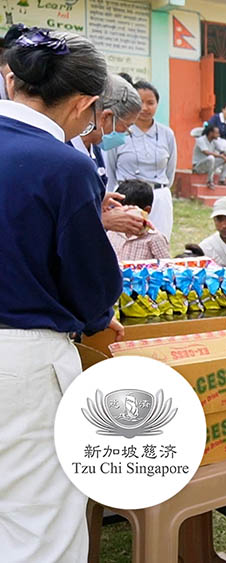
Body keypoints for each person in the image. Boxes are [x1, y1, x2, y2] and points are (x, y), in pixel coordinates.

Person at [0, 28, 123, 562]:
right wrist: (98, 315)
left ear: (11, 78)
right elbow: (89, 281)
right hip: (21, 361)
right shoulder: (65, 165)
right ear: (86, 104)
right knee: (40, 524)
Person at [70, 73, 146, 237]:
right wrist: (102, 220)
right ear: (106, 117)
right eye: (125, 127)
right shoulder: (64, 149)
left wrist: (99, 203)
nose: (124, 135)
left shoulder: (95, 150)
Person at [106, 80, 178, 241]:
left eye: (150, 103)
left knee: (158, 240)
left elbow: (170, 171)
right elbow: (109, 170)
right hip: (126, 197)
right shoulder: (117, 132)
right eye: (140, 102)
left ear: (157, 104)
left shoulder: (167, 134)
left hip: (158, 196)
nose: (145, 108)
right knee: (124, 242)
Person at [106, 179, 170, 261]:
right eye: (118, 210)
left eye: (128, 211)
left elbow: (166, 266)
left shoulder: (154, 238)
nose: (121, 216)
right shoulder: (112, 233)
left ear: (146, 210)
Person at [192, 123, 226, 188]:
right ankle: (209, 181)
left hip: (209, 165)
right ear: (211, 133)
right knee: (211, 158)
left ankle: (222, 180)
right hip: (198, 167)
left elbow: (222, 151)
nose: (218, 135)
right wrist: (221, 156)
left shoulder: (214, 141)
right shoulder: (200, 140)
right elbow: (206, 152)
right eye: (217, 133)